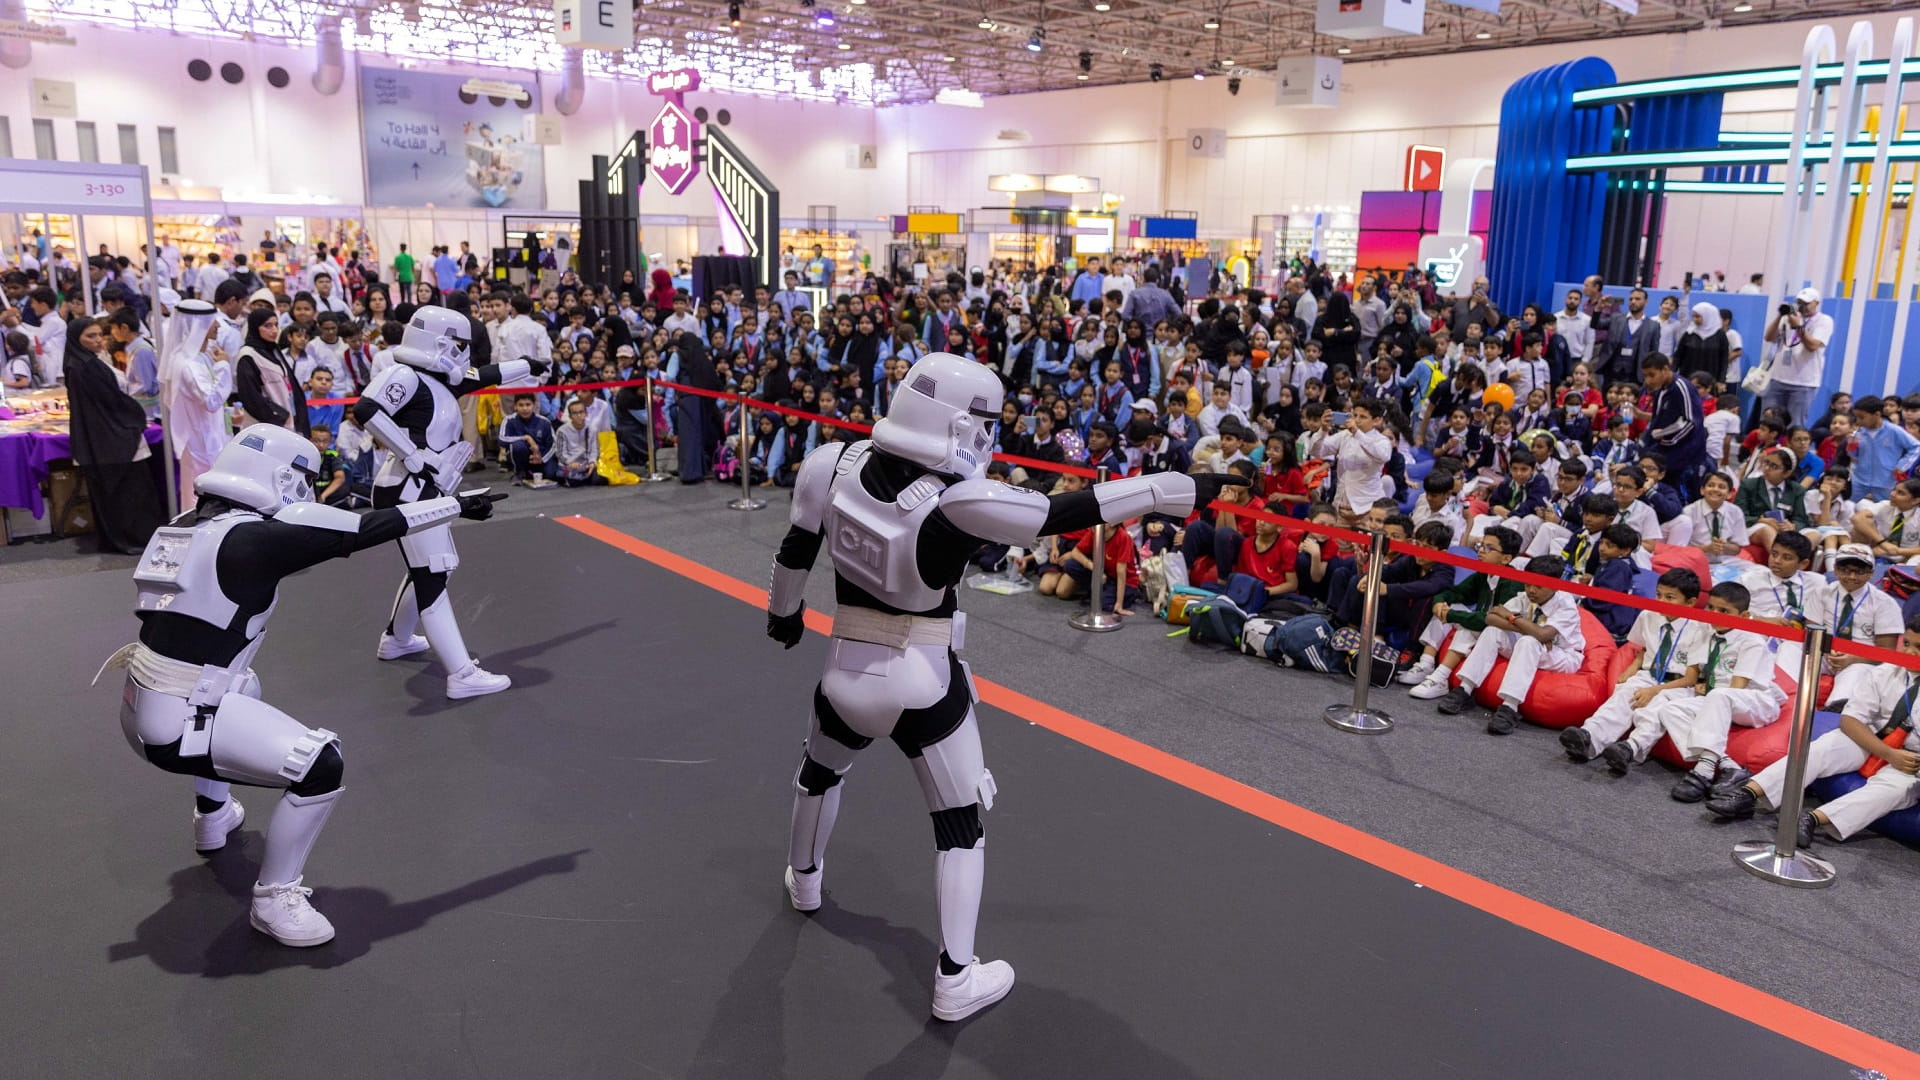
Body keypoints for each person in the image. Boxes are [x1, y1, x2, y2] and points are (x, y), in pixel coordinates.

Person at [762, 352, 1246, 1022]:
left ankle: (805, 881)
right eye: (984, 426)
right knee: (960, 825)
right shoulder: (954, 504)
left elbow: (794, 552)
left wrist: (783, 619)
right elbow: (1068, 509)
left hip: (844, 670)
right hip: (922, 682)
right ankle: (954, 978)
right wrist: (1178, 488)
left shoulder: (832, 463)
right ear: (959, 424)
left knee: (819, 771)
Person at [102, 425, 499, 947]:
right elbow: (362, 530)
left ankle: (213, 816)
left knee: (244, 685)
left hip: (141, 702)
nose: (309, 492)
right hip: (177, 723)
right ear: (282, 477)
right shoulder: (249, 540)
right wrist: (454, 505)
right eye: (305, 480)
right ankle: (274, 899)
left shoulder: (182, 525)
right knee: (319, 765)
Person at [351, 307, 548, 699]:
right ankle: (460, 673)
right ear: (437, 341)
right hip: (409, 486)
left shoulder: (442, 379)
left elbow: (486, 375)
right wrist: (414, 454)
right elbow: (367, 410)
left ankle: (397, 638)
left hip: (421, 486)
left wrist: (529, 364)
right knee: (433, 573)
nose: (463, 355)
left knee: (429, 569)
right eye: (458, 346)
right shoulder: (404, 375)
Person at [1709, 615, 1920, 846]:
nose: (1909, 653)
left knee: (1898, 789)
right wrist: (1887, 752)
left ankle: (1811, 819)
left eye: (1918, 647)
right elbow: (1850, 721)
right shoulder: (1885, 672)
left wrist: (1901, 760)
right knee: (1821, 748)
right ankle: (1748, 794)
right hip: (1871, 738)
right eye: (1906, 644)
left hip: (1911, 759)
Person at [1435, 554, 1583, 734]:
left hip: (1563, 655)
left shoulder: (1565, 604)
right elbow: (1491, 618)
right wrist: (1528, 628)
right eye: (1528, 584)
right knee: (1493, 631)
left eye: (1538, 586)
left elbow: (1543, 634)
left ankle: (1510, 708)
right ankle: (1465, 689)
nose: (1531, 590)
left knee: (1530, 641)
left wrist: (1512, 617)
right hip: (1534, 644)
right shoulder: (1525, 596)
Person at [63, 315, 167, 554]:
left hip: (101, 438)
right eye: (91, 336)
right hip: (111, 439)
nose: (98, 340)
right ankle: (134, 539)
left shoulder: (80, 363)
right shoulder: (85, 367)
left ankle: (124, 538)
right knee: (130, 493)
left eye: (100, 334)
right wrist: (134, 418)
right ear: (76, 339)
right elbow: (111, 401)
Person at [1760, 287, 1832, 427]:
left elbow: (1812, 346)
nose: (1802, 306)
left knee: (1795, 423)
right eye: (1799, 302)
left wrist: (1799, 327)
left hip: (1804, 383)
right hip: (1778, 378)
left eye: (1806, 303)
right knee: (1769, 421)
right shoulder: (1788, 319)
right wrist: (1780, 316)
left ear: (1816, 303)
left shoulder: (1824, 321)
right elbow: (1769, 337)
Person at [234, 308, 309, 436]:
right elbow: (251, 396)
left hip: (286, 423)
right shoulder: (248, 356)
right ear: (255, 327)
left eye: (276, 325)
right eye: (267, 326)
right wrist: (279, 417)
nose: (274, 330)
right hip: (264, 427)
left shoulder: (274, 350)